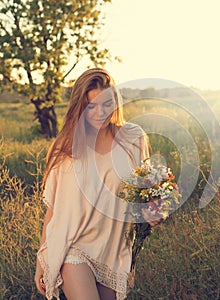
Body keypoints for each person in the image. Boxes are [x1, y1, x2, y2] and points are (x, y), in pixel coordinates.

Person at [34, 68, 159, 300]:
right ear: (80, 106)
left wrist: (154, 212)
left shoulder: (133, 139)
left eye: (106, 104)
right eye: (92, 106)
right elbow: (53, 209)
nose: (101, 112)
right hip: (72, 247)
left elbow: (145, 193)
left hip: (112, 250)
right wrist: (41, 260)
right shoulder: (66, 147)